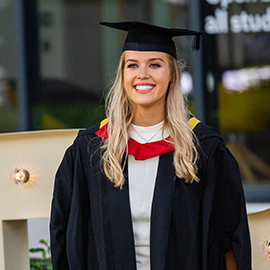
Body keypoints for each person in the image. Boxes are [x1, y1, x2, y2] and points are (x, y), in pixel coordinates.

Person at [50, 21, 251, 270]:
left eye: (155, 64)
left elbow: (229, 237)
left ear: (172, 74)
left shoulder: (204, 149)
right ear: (123, 75)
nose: (142, 74)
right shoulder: (90, 149)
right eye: (132, 65)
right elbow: (65, 233)